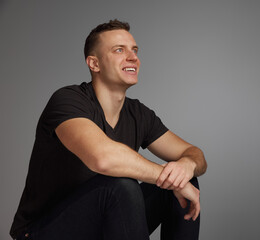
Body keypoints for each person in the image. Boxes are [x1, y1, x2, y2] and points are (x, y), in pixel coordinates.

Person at [10, 19, 207, 240]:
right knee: (121, 185)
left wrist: (187, 165)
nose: (133, 57)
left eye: (134, 50)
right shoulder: (68, 100)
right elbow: (103, 158)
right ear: (94, 64)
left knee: (184, 181)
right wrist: (168, 176)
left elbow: (194, 153)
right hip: (42, 232)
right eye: (119, 50)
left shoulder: (138, 113)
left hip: (101, 223)